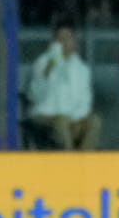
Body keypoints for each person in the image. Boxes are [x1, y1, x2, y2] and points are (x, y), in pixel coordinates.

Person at [28, 22, 102, 150]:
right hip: (48, 116)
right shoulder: (43, 62)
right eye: (60, 39)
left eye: (68, 38)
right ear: (53, 42)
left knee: (95, 121)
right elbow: (36, 94)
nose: (64, 43)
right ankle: (68, 164)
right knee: (61, 121)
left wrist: (76, 118)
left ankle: (85, 164)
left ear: (74, 42)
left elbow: (85, 100)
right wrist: (51, 65)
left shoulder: (82, 69)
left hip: (74, 118)